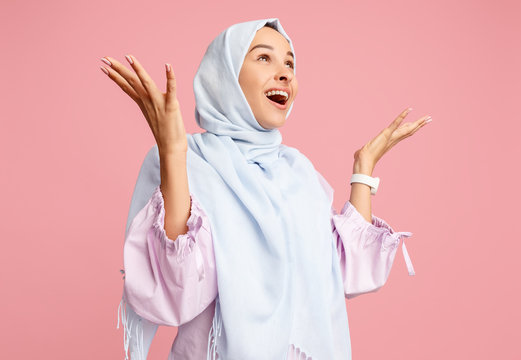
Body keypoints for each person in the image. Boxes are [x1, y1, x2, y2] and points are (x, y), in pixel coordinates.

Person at [100, 18, 430, 360]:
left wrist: (363, 169)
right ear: (225, 76)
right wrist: (172, 153)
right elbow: (177, 290)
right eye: (264, 58)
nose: (285, 73)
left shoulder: (298, 172)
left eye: (290, 62)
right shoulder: (187, 161)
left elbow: (348, 272)